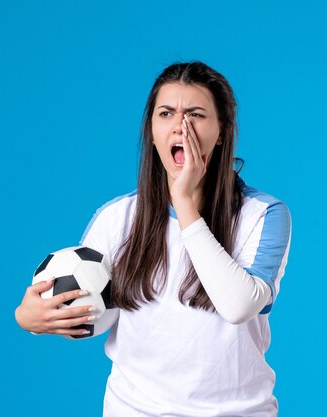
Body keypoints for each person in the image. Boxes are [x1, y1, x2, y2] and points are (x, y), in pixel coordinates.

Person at [15, 61, 292, 417]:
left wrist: (185, 205)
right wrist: (30, 318)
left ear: (221, 132)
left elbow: (238, 306)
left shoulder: (265, 215)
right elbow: (90, 312)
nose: (181, 127)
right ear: (151, 130)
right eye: (167, 114)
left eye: (196, 114)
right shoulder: (117, 218)